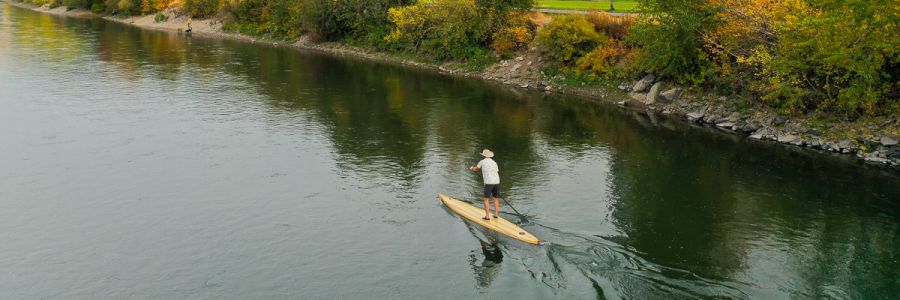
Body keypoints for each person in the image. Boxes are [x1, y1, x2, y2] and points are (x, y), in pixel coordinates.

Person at [469, 149, 500, 221]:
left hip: (489, 183)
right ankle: (496, 214)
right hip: (497, 182)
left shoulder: (482, 162)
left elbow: (476, 169)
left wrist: (472, 168)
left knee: (486, 199)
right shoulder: (494, 162)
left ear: (483, 156)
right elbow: (497, 171)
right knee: (496, 198)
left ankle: (487, 216)